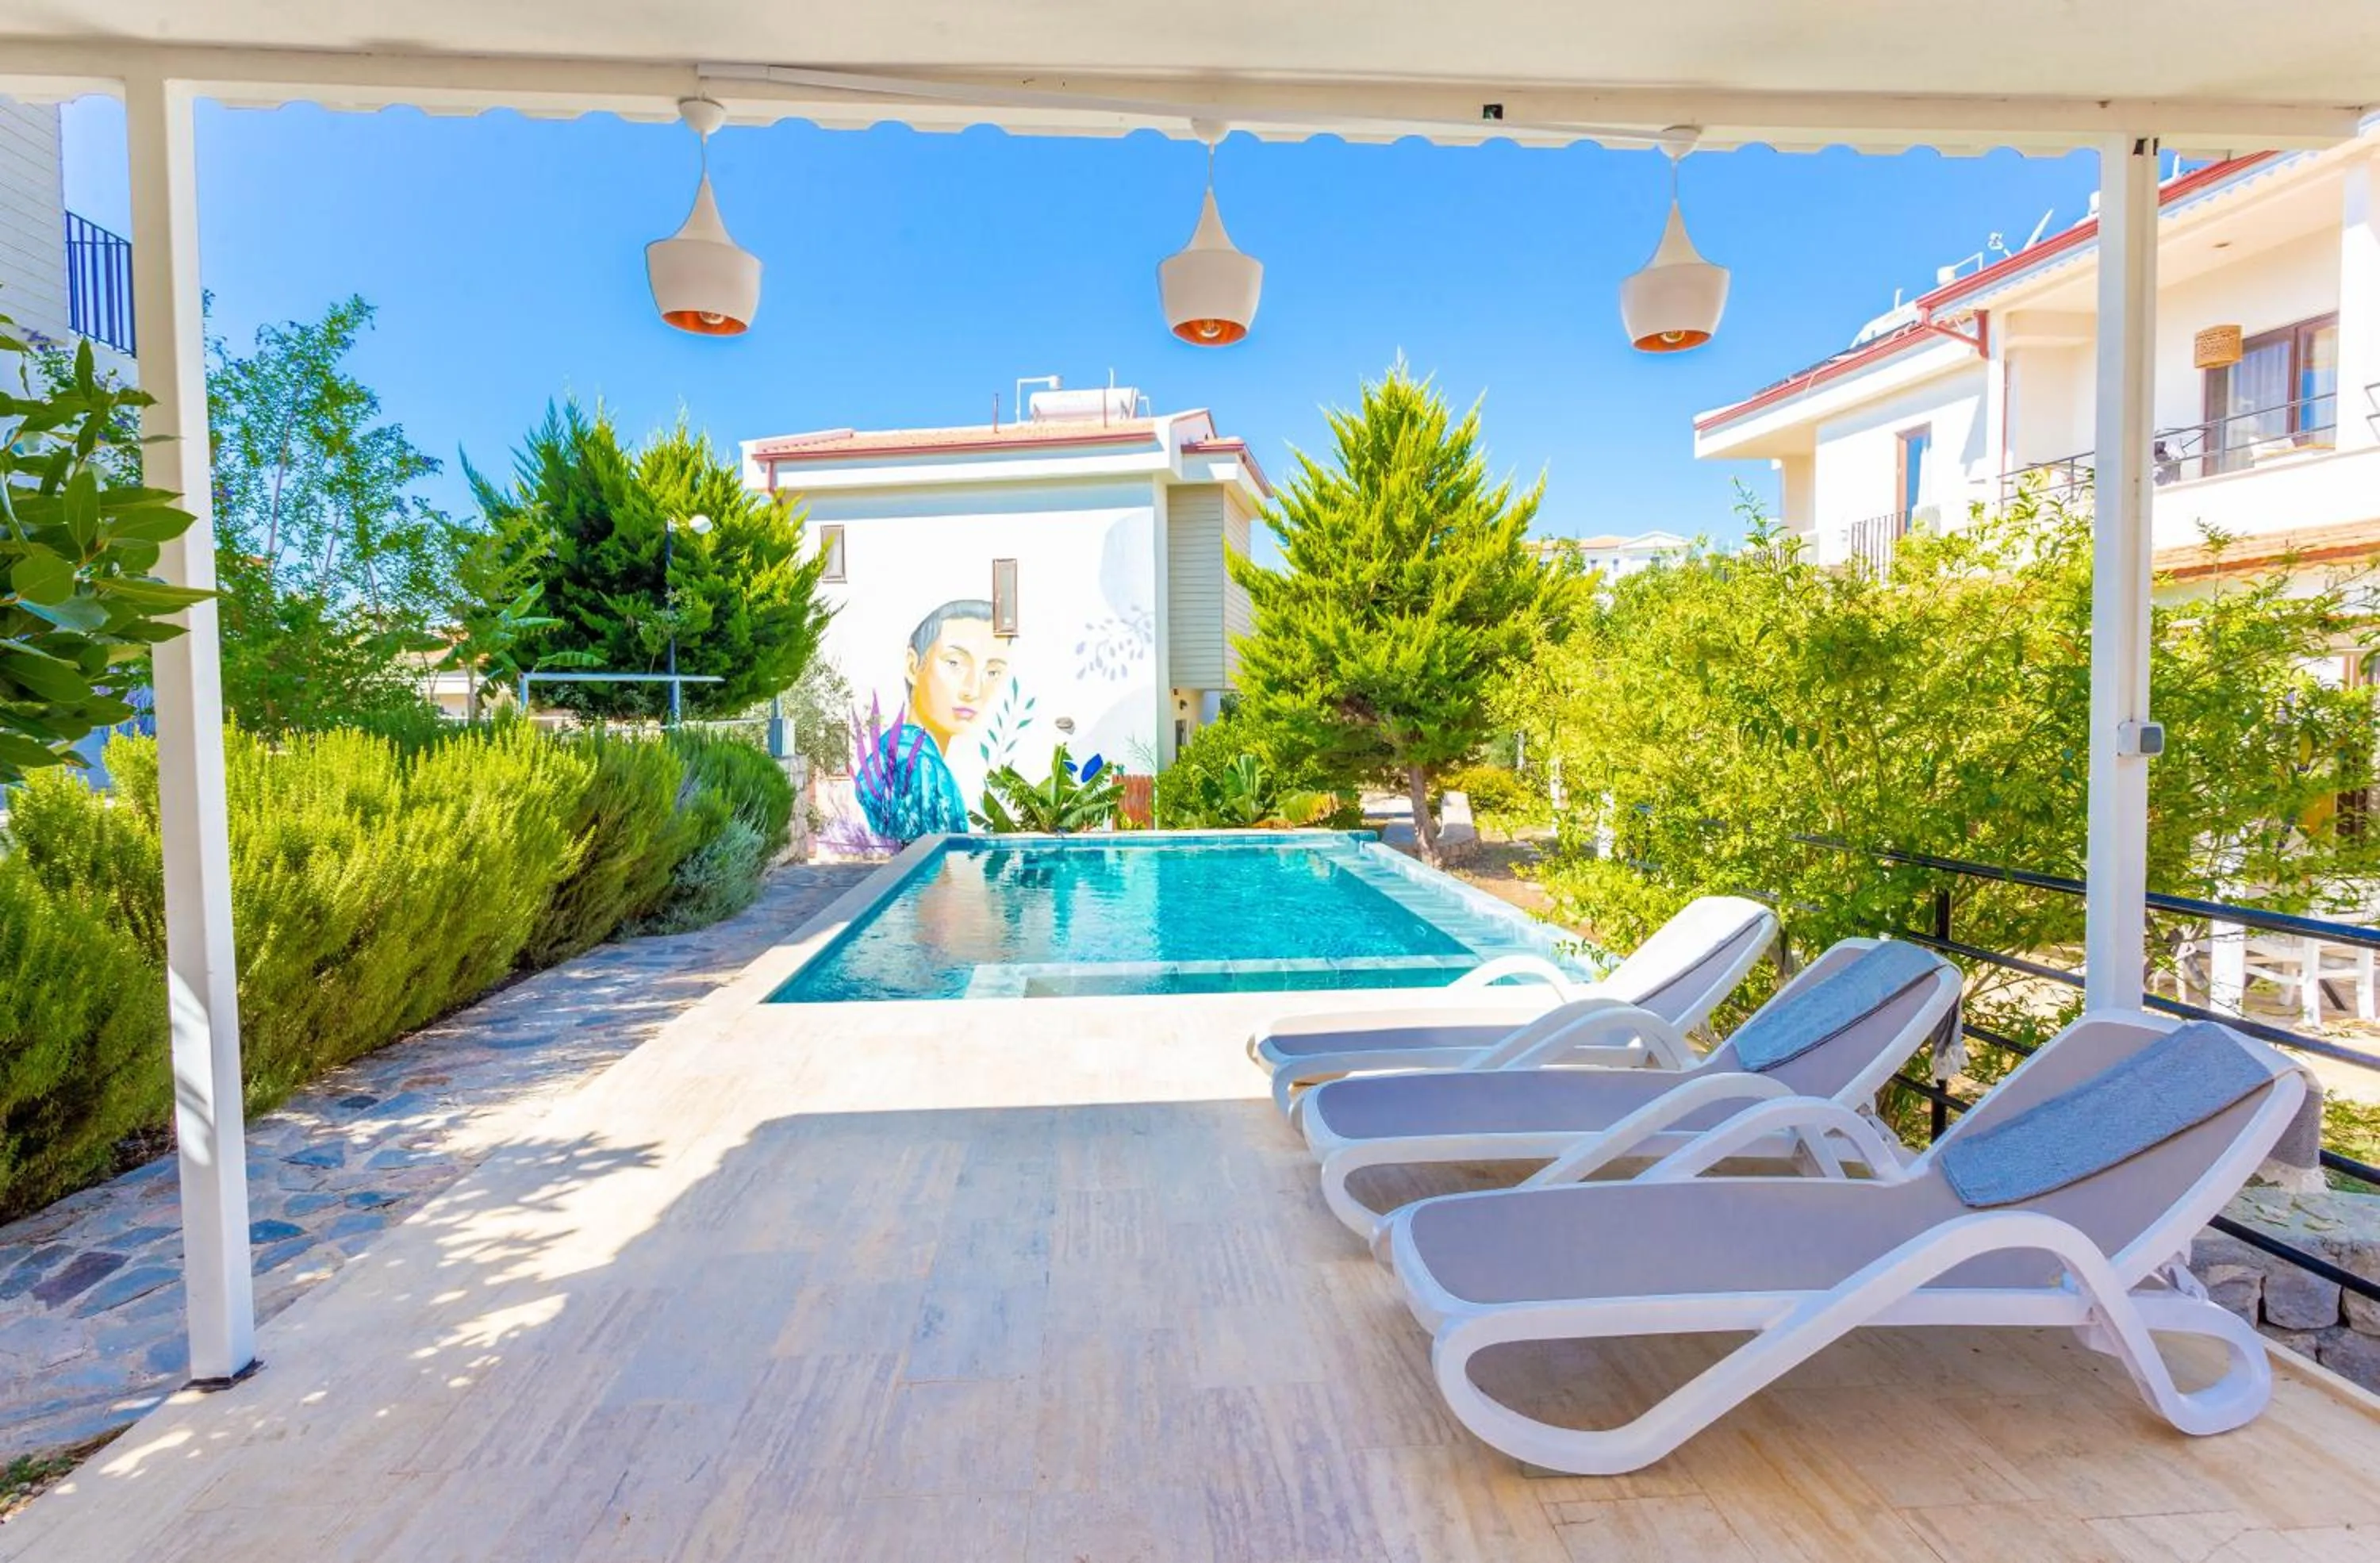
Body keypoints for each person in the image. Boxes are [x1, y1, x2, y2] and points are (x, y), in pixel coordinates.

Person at [856, 599, 1011, 837]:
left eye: (992, 672)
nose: (973, 689)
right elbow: (935, 855)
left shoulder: (892, 750)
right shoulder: (922, 768)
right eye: (954, 663)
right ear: (913, 666)